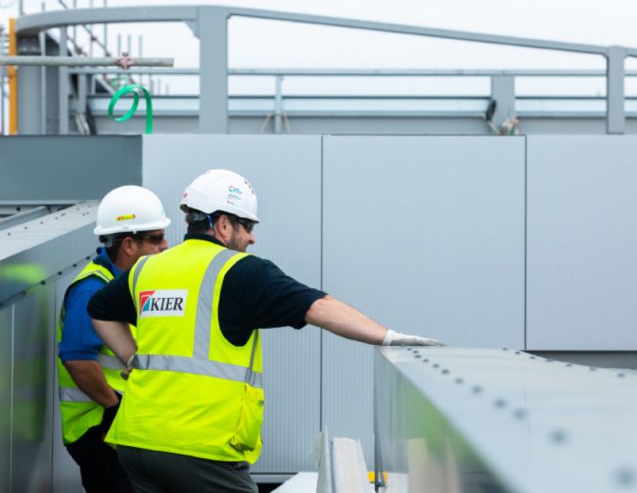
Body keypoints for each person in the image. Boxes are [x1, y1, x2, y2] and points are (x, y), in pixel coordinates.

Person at [88, 169, 441, 493]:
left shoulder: (147, 269)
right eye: (247, 226)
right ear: (223, 225)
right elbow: (318, 307)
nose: (252, 238)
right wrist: (388, 336)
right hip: (198, 448)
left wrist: (132, 357)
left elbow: (100, 311)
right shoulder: (240, 271)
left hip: (137, 444)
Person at [57, 185, 171, 493]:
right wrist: (113, 410)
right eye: (156, 238)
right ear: (129, 245)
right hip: (98, 429)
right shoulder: (92, 290)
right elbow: (78, 360)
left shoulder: (125, 285)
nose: (165, 246)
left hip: (116, 428)